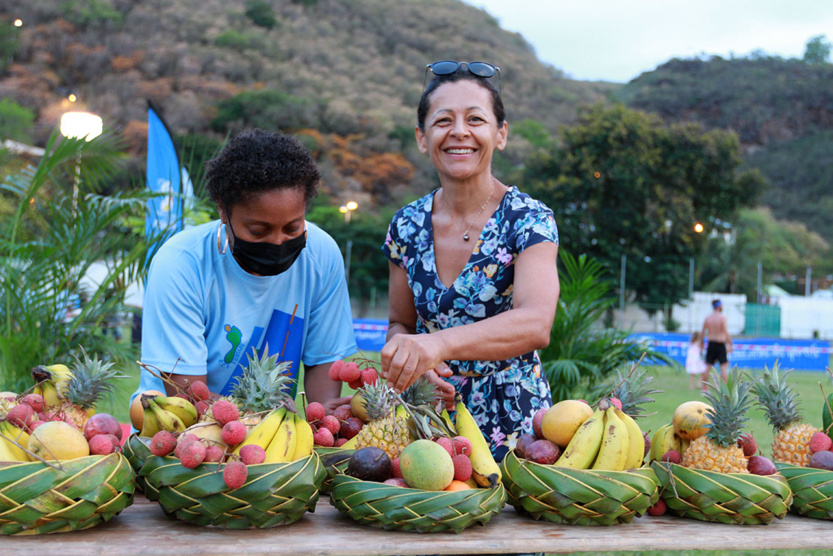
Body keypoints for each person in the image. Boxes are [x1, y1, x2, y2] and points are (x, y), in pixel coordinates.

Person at [380, 60, 560, 461]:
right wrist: (413, 364)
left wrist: (436, 345)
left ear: (501, 135)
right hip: (426, 422)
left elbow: (536, 323)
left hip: (517, 425)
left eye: (475, 119)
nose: (459, 131)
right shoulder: (405, 226)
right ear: (422, 138)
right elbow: (400, 324)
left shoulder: (529, 219)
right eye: (443, 120)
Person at [132, 129, 356, 411]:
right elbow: (189, 399)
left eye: (292, 227)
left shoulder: (322, 255)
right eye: (259, 231)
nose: (277, 241)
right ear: (223, 212)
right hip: (178, 435)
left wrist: (326, 419)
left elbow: (323, 375)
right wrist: (268, 417)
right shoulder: (180, 264)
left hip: (274, 437)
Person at [702, 299, 732, 382]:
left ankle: (705, 388)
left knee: (708, 366)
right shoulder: (722, 318)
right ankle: (723, 388)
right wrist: (730, 344)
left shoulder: (708, 318)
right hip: (720, 344)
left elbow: (703, 332)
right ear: (719, 306)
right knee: (723, 367)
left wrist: (701, 343)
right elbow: (726, 332)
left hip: (711, 344)